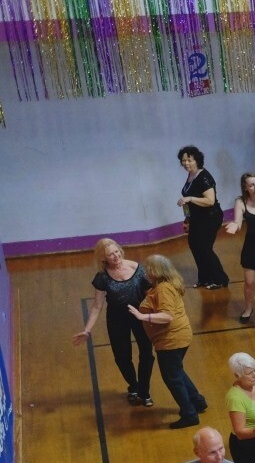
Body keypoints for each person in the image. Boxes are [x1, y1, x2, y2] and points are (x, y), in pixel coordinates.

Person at [128, 255, 202, 429]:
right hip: (178, 337)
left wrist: (142, 316)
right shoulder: (164, 286)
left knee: (172, 378)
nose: (145, 272)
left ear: (156, 271)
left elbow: (167, 316)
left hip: (171, 340)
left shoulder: (163, 289)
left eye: (148, 269)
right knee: (176, 371)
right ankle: (197, 401)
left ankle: (189, 414)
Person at [77, 238, 154, 405]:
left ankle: (144, 391)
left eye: (117, 251)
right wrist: (87, 330)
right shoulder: (102, 277)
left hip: (140, 316)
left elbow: (152, 295)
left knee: (147, 354)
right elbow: (97, 306)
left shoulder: (137, 268)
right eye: (110, 255)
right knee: (121, 356)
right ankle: (133, 386)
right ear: (103, 259)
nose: (115, 256)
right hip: (116, 318)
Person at [175, 145, 229, 289]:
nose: (186, 163)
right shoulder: (191, 175)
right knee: (194, 245)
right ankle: (204, 278)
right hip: (197, 218)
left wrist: (190, 198)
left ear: (197, 160)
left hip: (210, 217)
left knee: (204, 248)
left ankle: (220, 279)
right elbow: (188, 201)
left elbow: (210, 201)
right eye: (183, 161)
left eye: (189, 160)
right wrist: (187, 220)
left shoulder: (204, 176)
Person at [221, 173, 255, 322]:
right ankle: (248, 308)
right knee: (249, 282)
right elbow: (238, 222)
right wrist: (234, 226)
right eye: (251, 185)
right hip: (252, 246)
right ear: (245, 188)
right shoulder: (241, 201)